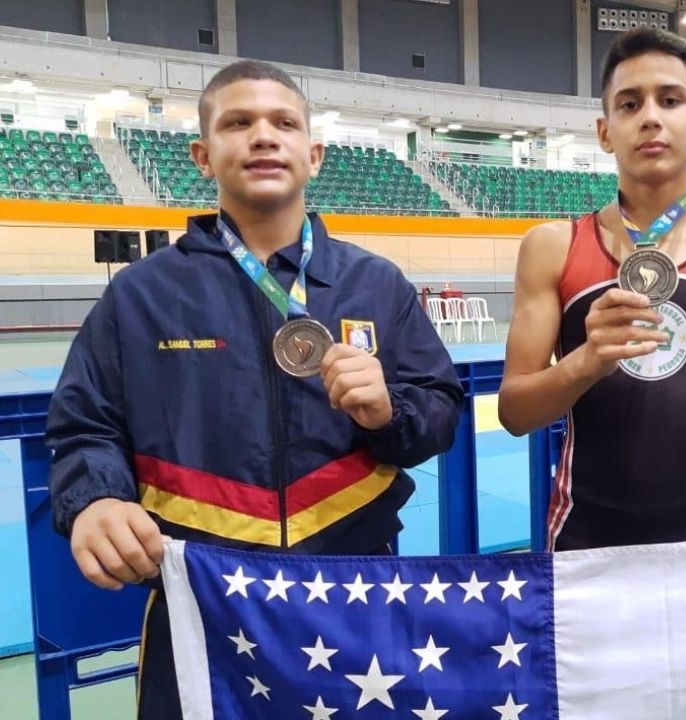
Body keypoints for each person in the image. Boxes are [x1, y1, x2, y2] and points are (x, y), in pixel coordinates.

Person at [45, 60, 463, 718]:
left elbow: (438, 415)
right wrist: (95, 500)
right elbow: (85, 427)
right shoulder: (140, 294)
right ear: (203, 156)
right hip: (204, 604)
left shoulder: (375, 284)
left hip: (353, 594)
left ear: (314, 154)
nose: (263, 136)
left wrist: (390, 412)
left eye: (284, 123)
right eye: (238, 123)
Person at [497, 27, 686, 550]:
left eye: (671, 100)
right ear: (604, 131)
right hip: (582, 543)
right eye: (630, 104)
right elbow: (514, 412)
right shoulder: (552, 247)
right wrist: (585, 362)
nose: (651, 117)